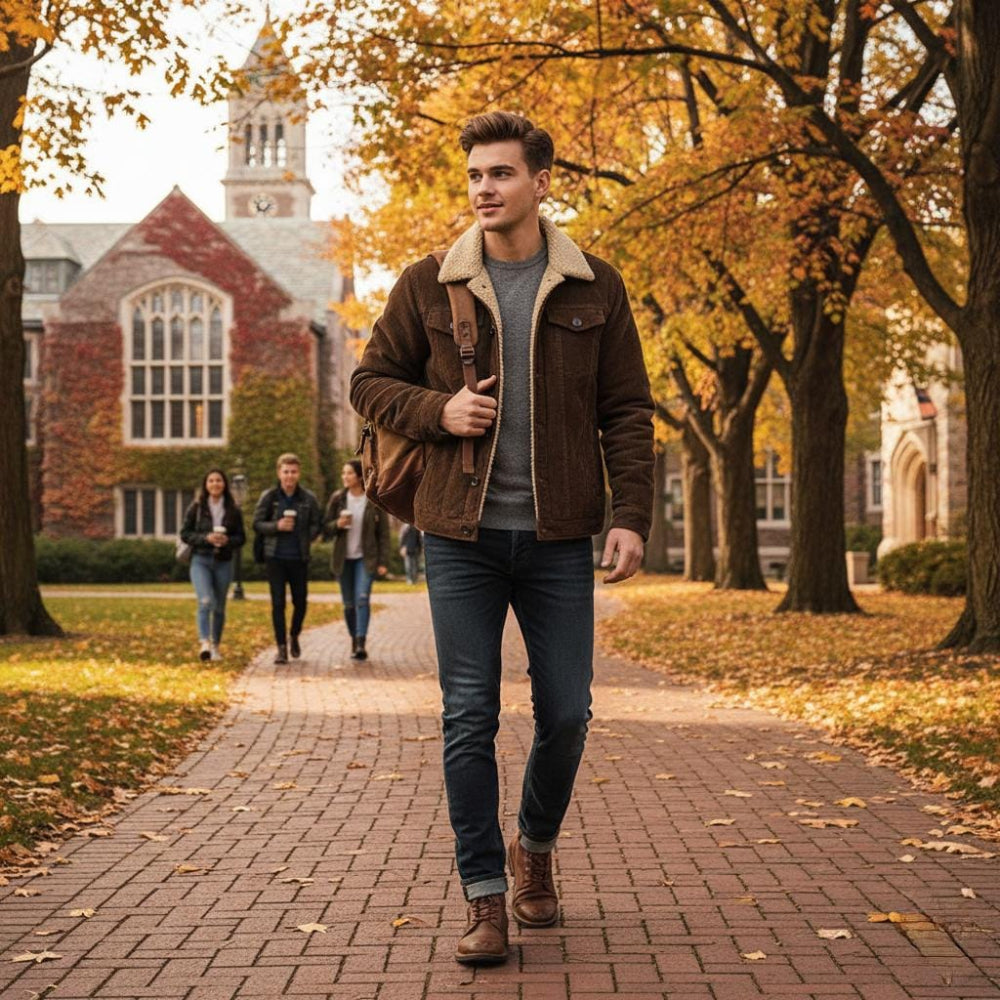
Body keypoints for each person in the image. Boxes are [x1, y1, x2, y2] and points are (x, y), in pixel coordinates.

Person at [350, 112, 654, 965]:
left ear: (543, 181)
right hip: (460, 535)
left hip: (559, 538)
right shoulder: (425, 284)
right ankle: (485, 894)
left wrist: (629, 514)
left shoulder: (597, 284)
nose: (485, 188)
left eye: (502, 174)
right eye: (476, 175)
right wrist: (436, 411)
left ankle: (536, 845)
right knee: (468, 717)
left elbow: (627, 410)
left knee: (566, 713)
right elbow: (368, 381)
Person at [252, 453, 322, 665]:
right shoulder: (270, 497)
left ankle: (294, 635)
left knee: (300, 602)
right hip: (275, 557)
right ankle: (281, 648)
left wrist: (307, 536)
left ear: (298, 473)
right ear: (279, 473)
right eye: (286, 472)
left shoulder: (308, 498)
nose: (289, 476)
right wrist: (276, 526)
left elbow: (316, 524)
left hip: (299, 558)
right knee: (278, 603)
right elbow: (256, 523)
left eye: (293, 472)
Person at [324, 459, 390, 660]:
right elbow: (325, 527)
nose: (345, 477)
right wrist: (338, 524)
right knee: (349, 604)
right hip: (343, 559)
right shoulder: (338, 498)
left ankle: (361, 642)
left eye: (349, 473)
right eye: (343, 473)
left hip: (365, 558)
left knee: (362, 599)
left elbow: (384, 534)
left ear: (360, 477)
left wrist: (383, 561)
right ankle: (354, 639)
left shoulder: (373, 499)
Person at [181, 468, 246, 662]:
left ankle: (216, 645)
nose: (215, 484)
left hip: (223, 562)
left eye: (218, 480)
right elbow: (185, 534)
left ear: (224, 484)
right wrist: (206, 538)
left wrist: (227, 541)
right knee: (205, 601)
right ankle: (204, 643)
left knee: (219, 607)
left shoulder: (233, 510)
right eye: (211, 481)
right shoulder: (196, 508)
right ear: (206, 485)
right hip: (200, 560)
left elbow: (241, 538)